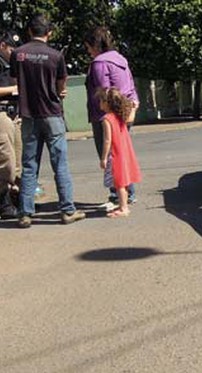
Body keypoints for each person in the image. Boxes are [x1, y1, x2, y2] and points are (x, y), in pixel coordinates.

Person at [10, 14, 85, 228]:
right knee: (60, 164)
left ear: (29, 32)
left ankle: (25, 214)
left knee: (29, 165)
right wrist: (59, 93)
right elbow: (62, 85)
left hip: (29, 115)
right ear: (49, 33)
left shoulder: (18, 54)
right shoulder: (56, 55)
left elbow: (16, 82)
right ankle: (67, 210)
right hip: (52, 114)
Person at [84, 26, 139, 208]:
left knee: (109, 156)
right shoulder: (121, 60)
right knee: (121, 154)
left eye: (88, 47)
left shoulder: (99, 63)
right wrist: (133, 106)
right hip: (124, 112)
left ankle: (119, 196)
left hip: (106, 116)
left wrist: (104, 113)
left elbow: (103, 92)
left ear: (94, 45)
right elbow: (131, 86)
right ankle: (127, 193)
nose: (88, 51)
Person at [96, 88, 141, 218]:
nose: (99, 103)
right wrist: (134, 107)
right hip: (125, 152)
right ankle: (123, 205)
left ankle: (124, 208)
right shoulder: (121, 115)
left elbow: (107, 140)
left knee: (119, 183)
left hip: (115, 154)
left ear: (107, 103)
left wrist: (103, 158)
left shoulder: (106, 119)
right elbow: (131, 117)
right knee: (124, 181)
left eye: (101, 100)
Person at [0, 30, 21, 219]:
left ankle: (17, 200)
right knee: (5, 161)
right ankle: (4, 203)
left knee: (18, 163)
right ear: (2, 45)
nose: (14, 51)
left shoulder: (12, 63)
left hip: (15, 114)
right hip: (1, 114)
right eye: (11, 47)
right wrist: (13, 88)